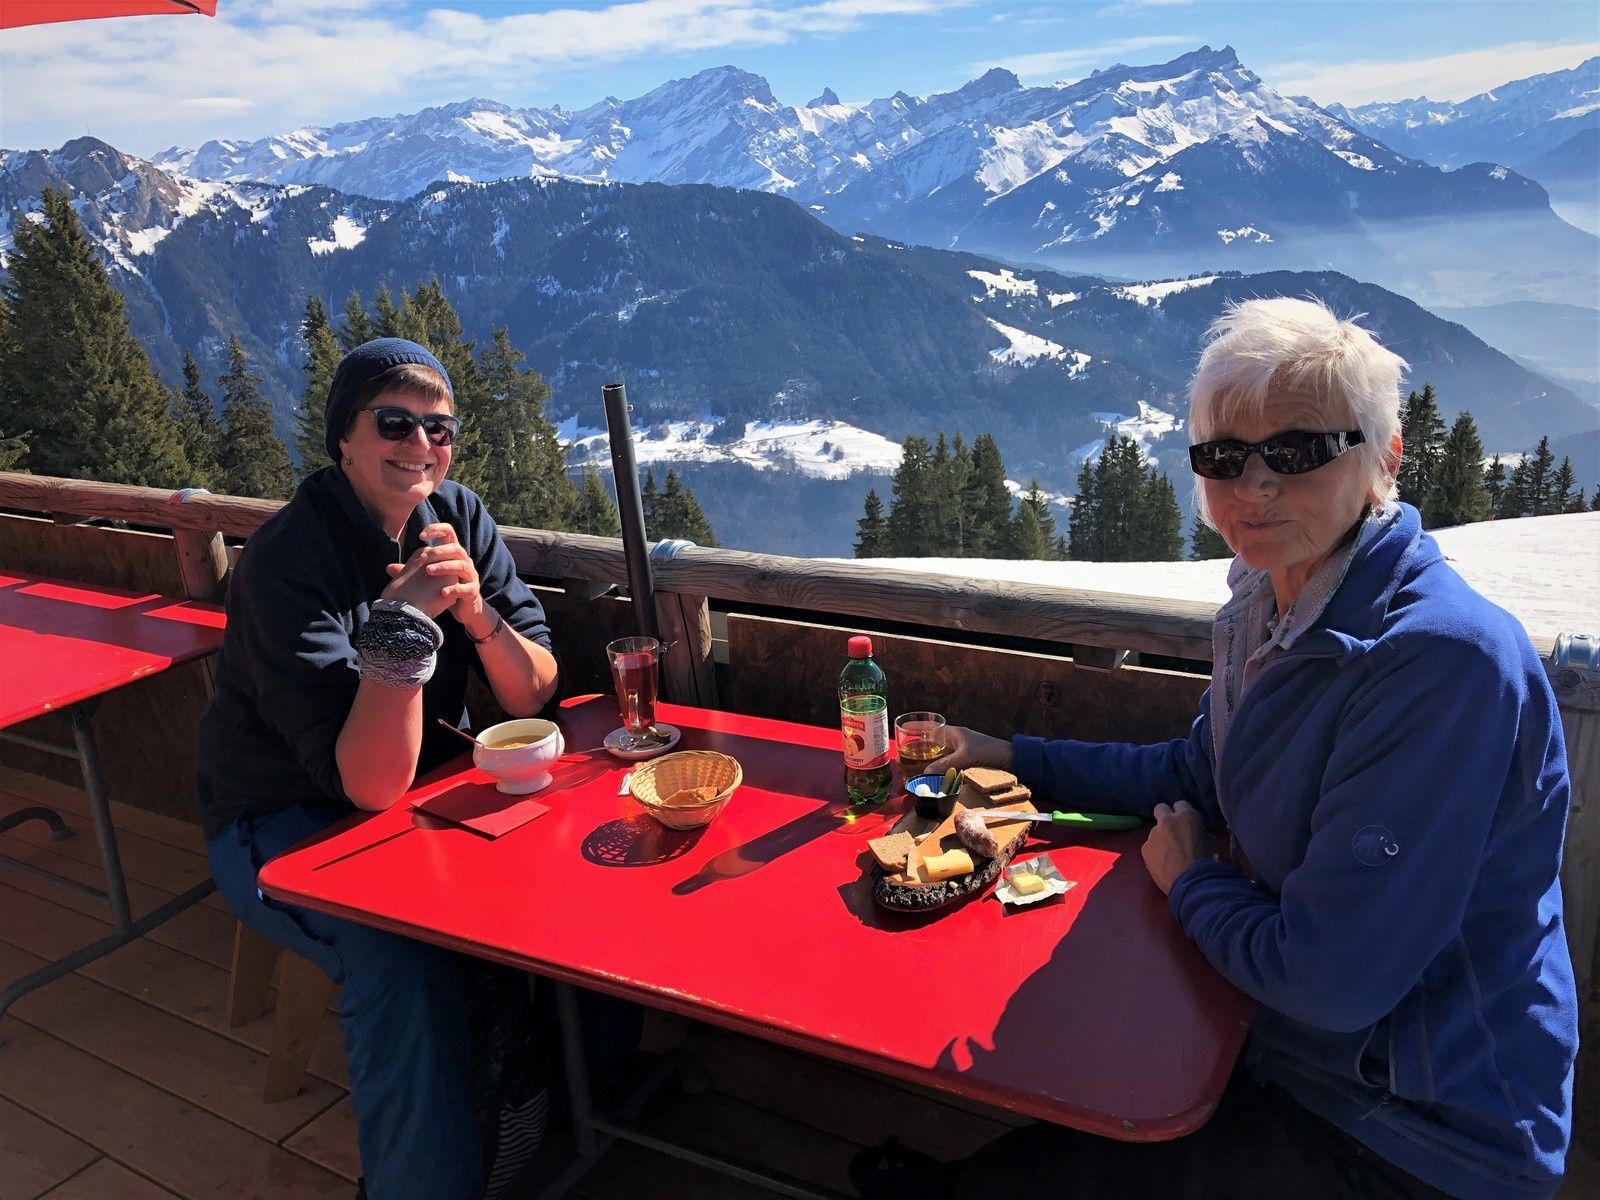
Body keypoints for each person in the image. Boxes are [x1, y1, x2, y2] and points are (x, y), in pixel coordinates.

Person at [923, 299, 1577, 1200]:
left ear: (1383, 460)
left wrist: (1191, 881)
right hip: (1280, 1048)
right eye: (1224, 459)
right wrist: (1008, 752)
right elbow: (1201, 773)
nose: (1255, 485)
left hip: (1412, 1132)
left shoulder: (1436, 662)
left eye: (1300, 451)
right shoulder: (1275, 606)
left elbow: (1333, 982)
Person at [197, 338, 560, 1200]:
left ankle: (566, 1099)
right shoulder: (290, 559)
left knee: (563, 891)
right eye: (395, 423)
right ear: (345, 441)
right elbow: (365, 785)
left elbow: (534, 693)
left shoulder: (457, 515)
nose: (421, 445)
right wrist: (400, 634)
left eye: (440, 429)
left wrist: (475, 617)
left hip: (426, 801)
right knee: (400, 964)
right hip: (280, 824)